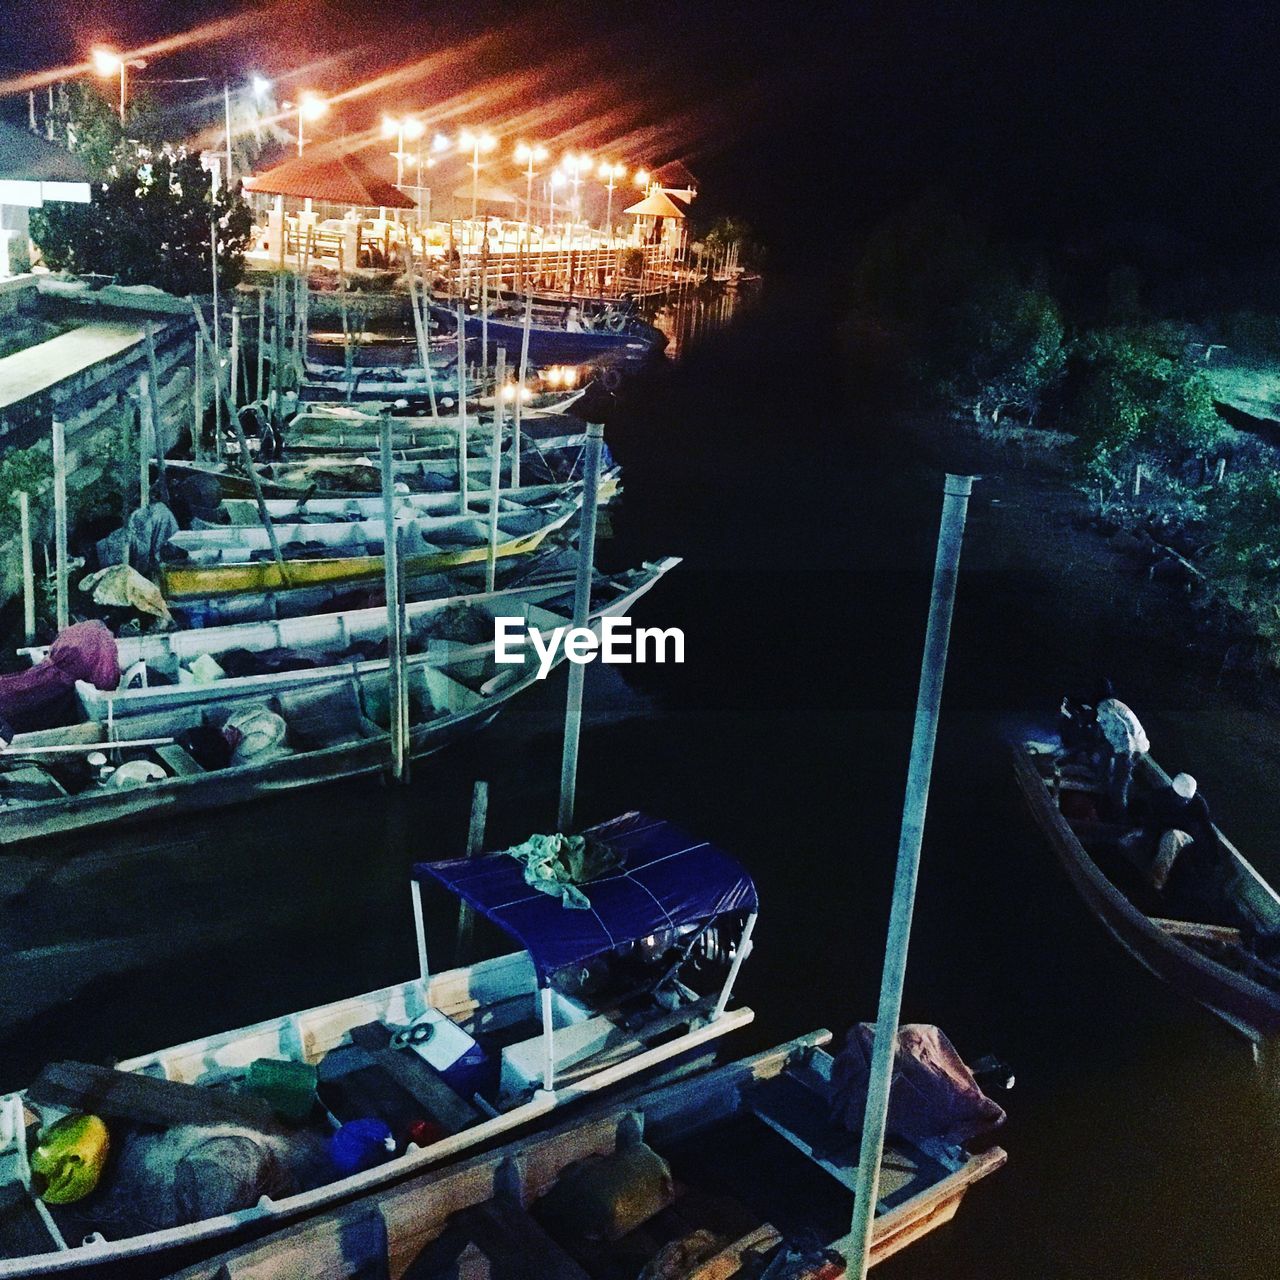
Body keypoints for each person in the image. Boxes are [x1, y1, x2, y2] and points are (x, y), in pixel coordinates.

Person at [1093, 679, 1149, 814]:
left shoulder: (1104, 707)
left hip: (1129, 748)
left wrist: (1127, 757)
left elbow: (1123, 731)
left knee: (1119, 786)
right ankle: (1105, 785)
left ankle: (1118, 814)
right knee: (1106, 758)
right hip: (1139, 745)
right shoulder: (1116, 704)